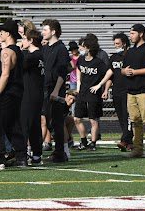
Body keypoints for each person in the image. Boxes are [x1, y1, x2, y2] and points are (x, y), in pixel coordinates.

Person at [0, 20, 26, 169]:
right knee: (13, 124)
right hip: (17, 91)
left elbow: (5, 75)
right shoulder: (18, 50)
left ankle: (2, 156)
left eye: (2, 31)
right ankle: (20, 156)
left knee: (0, 123)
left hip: (8, 92)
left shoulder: (6, 52)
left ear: (8, 34)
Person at [122, 24, 145, 158]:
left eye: (133, 33)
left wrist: (136, 72)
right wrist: (124, 71)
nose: (130, 36)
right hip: (131, 90)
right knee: (135, 121)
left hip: (144, 90)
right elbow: (122, 69)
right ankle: (137, 149)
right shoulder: (130, 51)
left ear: (141, 34)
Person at [41, 19, 71, 163]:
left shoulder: (61, 48)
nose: (43, 32)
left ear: (53, 32)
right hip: (45, 89)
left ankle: (60, 153)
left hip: (55, 90)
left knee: (57, 122)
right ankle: (57, 151)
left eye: (45, 30)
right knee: (47, 121)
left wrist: (56, 90)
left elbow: (62, 72)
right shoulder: (46, 48)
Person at [74, 36, 108, 151]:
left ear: (88, 48)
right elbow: (78, 68)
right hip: (82, 92)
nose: (80, 49)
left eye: (82, 47)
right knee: (77, 118)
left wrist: (99, 85)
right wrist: (78, 83)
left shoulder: (98, 62)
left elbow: (109, 72)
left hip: (93, 93)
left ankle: (93, 143)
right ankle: (83, 141)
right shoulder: (81, 59)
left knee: (93, 119)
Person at [20, 29, 45, 165]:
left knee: (25, 124)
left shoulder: (31, 56)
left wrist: (19, 50)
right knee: (34, 125)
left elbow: (20, 65)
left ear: (30, 41)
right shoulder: (40, 54)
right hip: (37, 93)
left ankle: (22, 155)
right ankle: (36, 154)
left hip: (29, 94)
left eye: (24, 39)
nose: (22, 42)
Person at [107, 33, 134, 151]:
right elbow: (110, 75)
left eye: (117, 43)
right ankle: (128, 141)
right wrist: (106, 89)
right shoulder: (113, 58)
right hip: (116, 91)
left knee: (127, 116)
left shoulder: (130, 55)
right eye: (114, 44)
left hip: (128, 90)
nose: (116, 46)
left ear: (124, 43)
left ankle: (125, 140)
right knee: (121, 117)